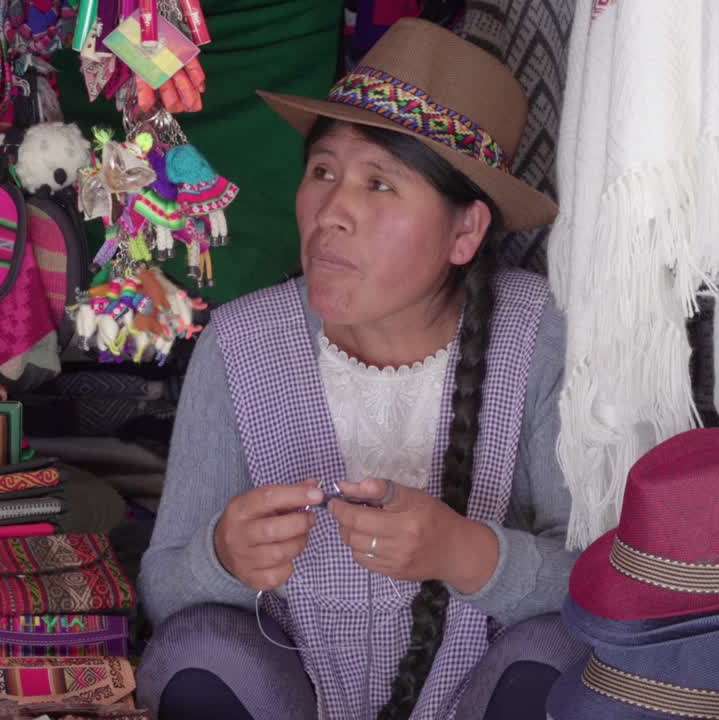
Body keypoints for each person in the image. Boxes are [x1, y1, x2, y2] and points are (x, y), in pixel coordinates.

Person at [135, 18, 585, 720]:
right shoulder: (240, 344)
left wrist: (464, 553)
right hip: (293, 700)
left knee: (558, 656)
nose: (332, 212)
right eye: (323, 172)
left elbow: (608, 588)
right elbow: (162, 591)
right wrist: (220, 558)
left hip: (483, 697)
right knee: (195, 650)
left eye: (380, 184)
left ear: (465, 231)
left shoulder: (539, 336)